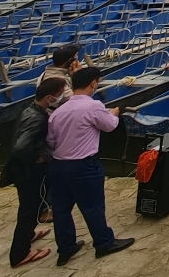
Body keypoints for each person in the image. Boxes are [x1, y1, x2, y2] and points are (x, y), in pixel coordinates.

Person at [45, 67, 133, 266]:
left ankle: (65, 248)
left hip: (59, 166)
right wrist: (114, 113)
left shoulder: (59, 111)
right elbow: (109, 125)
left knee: (61, 209)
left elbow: (51, 140)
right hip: (83, 166)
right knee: (92, 207)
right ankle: (104, 243)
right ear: (93, 83)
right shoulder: (92, 106)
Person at [0, 77, 65, 267]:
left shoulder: (29, 110)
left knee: (32, 205)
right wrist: (38, 158)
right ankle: (19, 254)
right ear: (49, 97)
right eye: (60, 94)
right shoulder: (37, 118)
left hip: (21, 170)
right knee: (29, 210)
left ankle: (29, 234)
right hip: (28, 172)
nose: (61, 97)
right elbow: (20, 147)